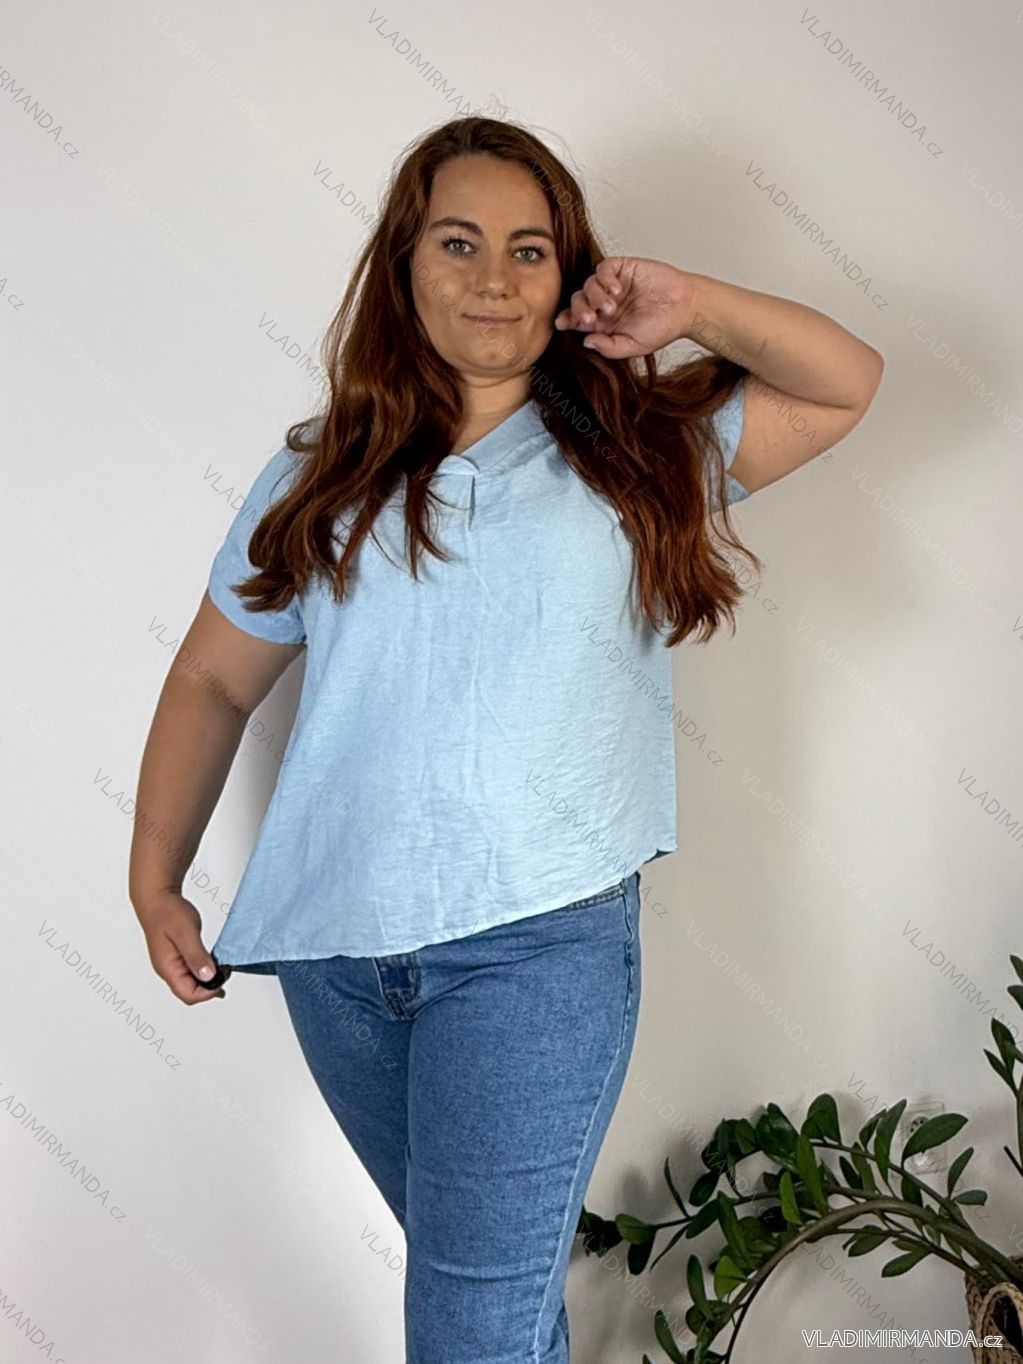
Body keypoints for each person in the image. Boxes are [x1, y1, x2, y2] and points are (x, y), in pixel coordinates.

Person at [128, 116, 883, 1363]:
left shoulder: (644, 454)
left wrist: (689, 303)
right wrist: (153, 874)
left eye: (530, 250)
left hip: (537, 954)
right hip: (336, 956)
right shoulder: (319, 472)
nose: (493, 277)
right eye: (458, 242)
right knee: (495, 1316)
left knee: (470, 1328)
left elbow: (845, 380)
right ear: (404, 264)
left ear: (570, 276)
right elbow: (213, 678)